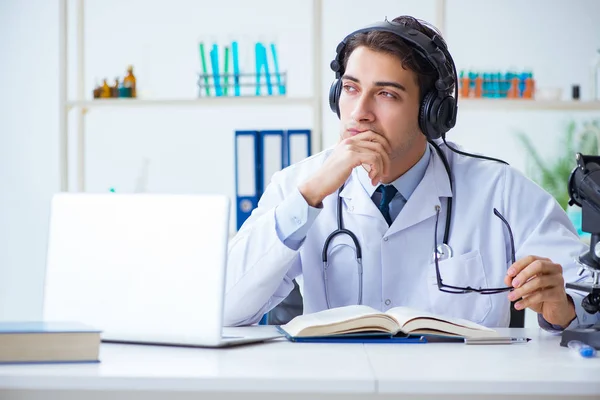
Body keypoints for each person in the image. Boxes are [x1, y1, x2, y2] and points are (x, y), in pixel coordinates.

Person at [224, 15, 598, 331]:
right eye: (351, 89)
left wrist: (562, 307)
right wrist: (309, 197)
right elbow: (224, 308)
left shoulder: (501, 191)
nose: (359, 113)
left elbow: (590, 295)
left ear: (431, 114)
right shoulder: (298, 186)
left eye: (386, 94)